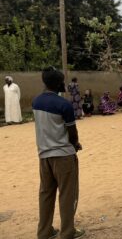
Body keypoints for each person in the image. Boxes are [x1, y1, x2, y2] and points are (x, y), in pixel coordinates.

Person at [32, 67, 84, 239]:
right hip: (63, 155)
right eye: (62, 81)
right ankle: (68, 232)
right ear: (58, 83)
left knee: (46, 194)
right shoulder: (64, 105)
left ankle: (44, 232)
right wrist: (75, 144)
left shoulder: (36, 102)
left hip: (44, 155)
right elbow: (72, 132)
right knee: (67, 194)